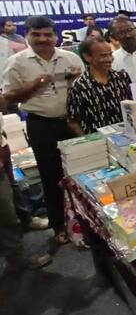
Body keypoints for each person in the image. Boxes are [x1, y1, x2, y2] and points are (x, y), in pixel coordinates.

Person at [2, 16, 84, 245]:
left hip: (72, 122)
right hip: (41, 125)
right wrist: (35, 84)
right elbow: (8, 99)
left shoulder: (70, 58)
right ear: (26, 36)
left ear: (56, 36)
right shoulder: (17, 63)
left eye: (48, 34)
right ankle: (59, 225)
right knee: (51, 177)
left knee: (81, 173)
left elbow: (84, 88)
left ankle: (84, 220)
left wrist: (77, 79)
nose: (43, 39)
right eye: (36, 34)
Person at [0, 97, 53, 271]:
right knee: (5, 209)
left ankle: (27, 220)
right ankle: (15, 258)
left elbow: (3, 102)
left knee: (13, 188)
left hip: (2, 143)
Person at [67, 37, 133, 136]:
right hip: (97, 142)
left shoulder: (122, 78)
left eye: (110, 54)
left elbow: (132, 107)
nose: (109, 59)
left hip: (127, 137)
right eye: (103, 56)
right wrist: (89, 142)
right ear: (87, 57)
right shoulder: (79, 86)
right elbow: (73, 122)